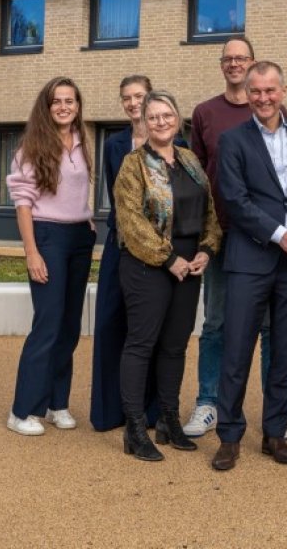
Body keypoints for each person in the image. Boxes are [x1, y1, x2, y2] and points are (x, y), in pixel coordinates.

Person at [211, 61, 287, 471]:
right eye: (256, 92)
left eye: (270, 91)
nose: (262, 98)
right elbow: (235, 201)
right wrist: (281, 235)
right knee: (237, 350)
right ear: (249, 94)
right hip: (250, 259)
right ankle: (229, 435)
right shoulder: (232, 140)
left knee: (285, 352)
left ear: (283, 91)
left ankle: (275, 433)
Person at [113, 91, 222, 461]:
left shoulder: (190, 160)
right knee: (142, 344)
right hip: (149, 265)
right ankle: (134, 428)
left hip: (190, 266)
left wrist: (206, 250)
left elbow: (209, 211)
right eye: (154, 116)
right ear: (144, 121)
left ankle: (169, 419)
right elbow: (131, 222)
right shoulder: (134, 165)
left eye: (167, 115)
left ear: (178, 119)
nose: (161, 122)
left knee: (175, 345)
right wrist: (168, 257)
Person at [183, 36, 274, 439]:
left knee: (270, 326)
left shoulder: (271, 110)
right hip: (220, 235)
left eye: (242, 58)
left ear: (253, 64)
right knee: (216, 321)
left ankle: (277, 409)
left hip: (263, 238)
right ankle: (209, 402)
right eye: (228, 59)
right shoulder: (205, 113)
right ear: (222, 65)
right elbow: (196, 177)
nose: (235, 64)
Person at [5, 77, 96, 436]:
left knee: (70, 327)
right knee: (48, 324)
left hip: (79, 237)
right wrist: (32, 252)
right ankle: (22, 410)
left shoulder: (82, 142)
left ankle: (57, 403)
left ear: (77, 105)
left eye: (69, 101)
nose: (63, 106)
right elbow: (23, 203)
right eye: (56, 101)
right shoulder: (31, 146)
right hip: (47, 236)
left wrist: (86, 222)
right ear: (46, 107)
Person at [90, 75, 158, 432]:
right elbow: (114, 197)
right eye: (127, 98)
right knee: (109, 322)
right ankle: (108, 411)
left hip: (159, 247)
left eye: (140, 96)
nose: (133, 103)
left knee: (149, 328)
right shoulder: (114, 144)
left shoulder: (172, 139)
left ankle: (152, 411)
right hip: (120, 244)